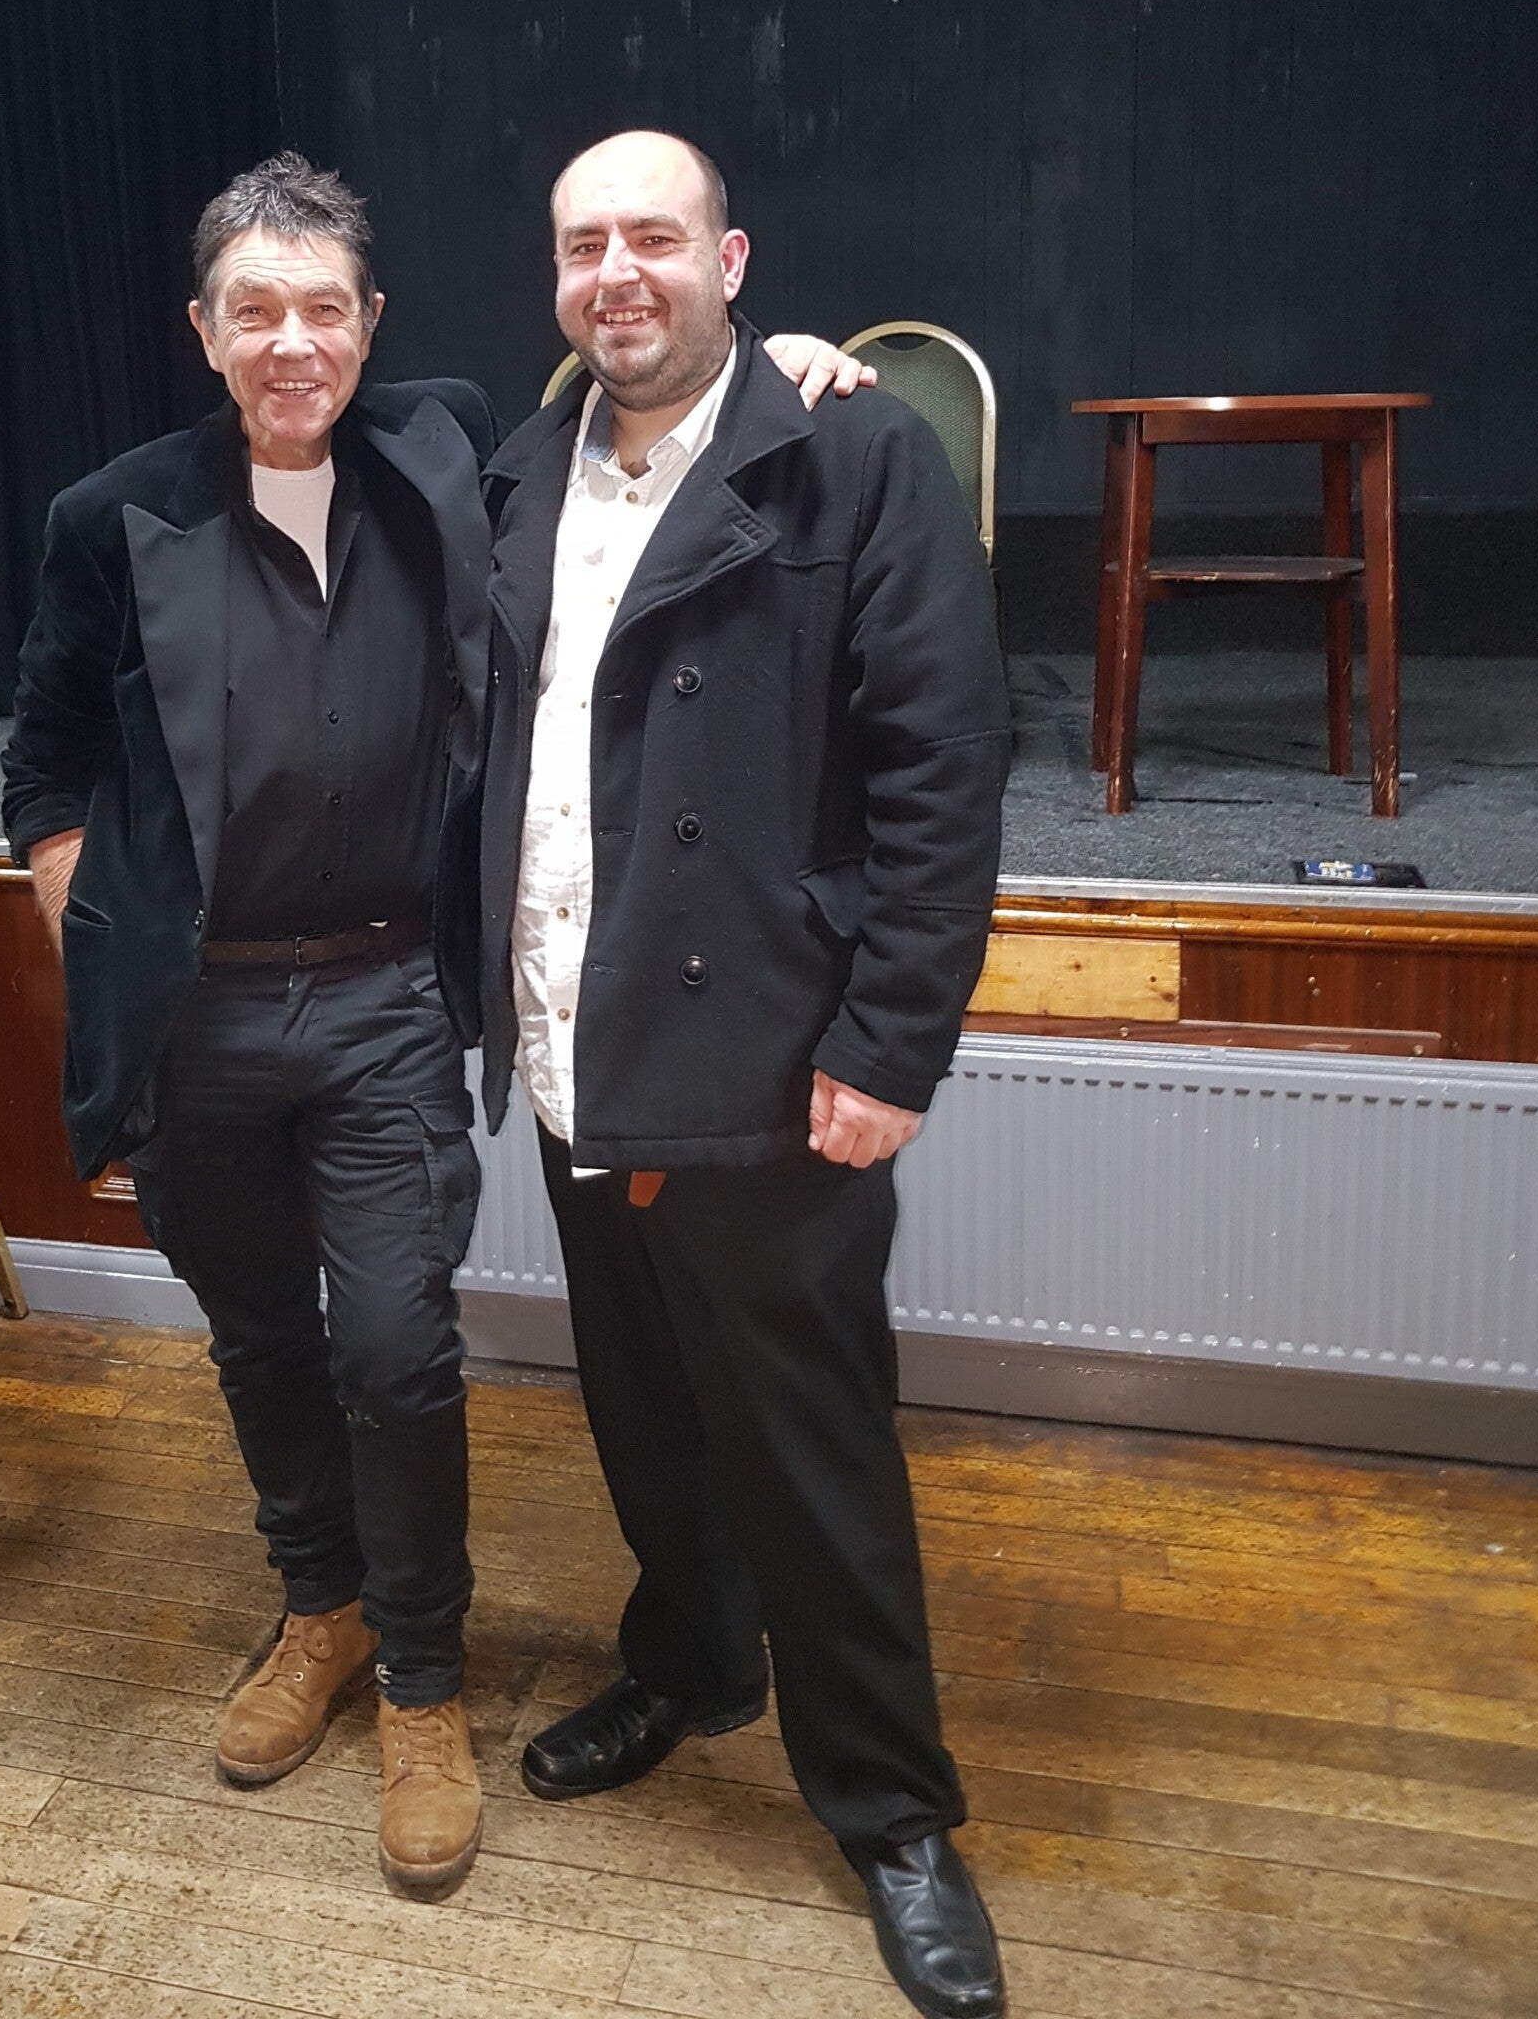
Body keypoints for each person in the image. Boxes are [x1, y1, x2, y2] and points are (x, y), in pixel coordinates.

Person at [0, 149, 867, 1902]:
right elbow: (44, 765)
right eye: (255, 311)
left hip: (388, 997)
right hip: (198, 1022)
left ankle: (418, 1674)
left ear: (372, 322)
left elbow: (658, 414)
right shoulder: (113, 516)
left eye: (324, 309)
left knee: (396, 1351)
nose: (292, 343)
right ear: (204, 331)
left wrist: (787, 365)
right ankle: (315, 1609)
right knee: (261, 1343)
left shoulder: (447, 446)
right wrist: (100, 922)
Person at [478, 131, 1012, 2017]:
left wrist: (890, 1042)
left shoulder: (853, 453)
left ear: (732, 260)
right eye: (583, 244)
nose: (616, 272)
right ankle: (695, 1664)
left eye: (656, 236)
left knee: (810, 1448)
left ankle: (893, 1812)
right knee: (643, 1410)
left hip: (772, 1060)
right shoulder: (520, 470)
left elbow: (945, 765)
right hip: (579, 1041)